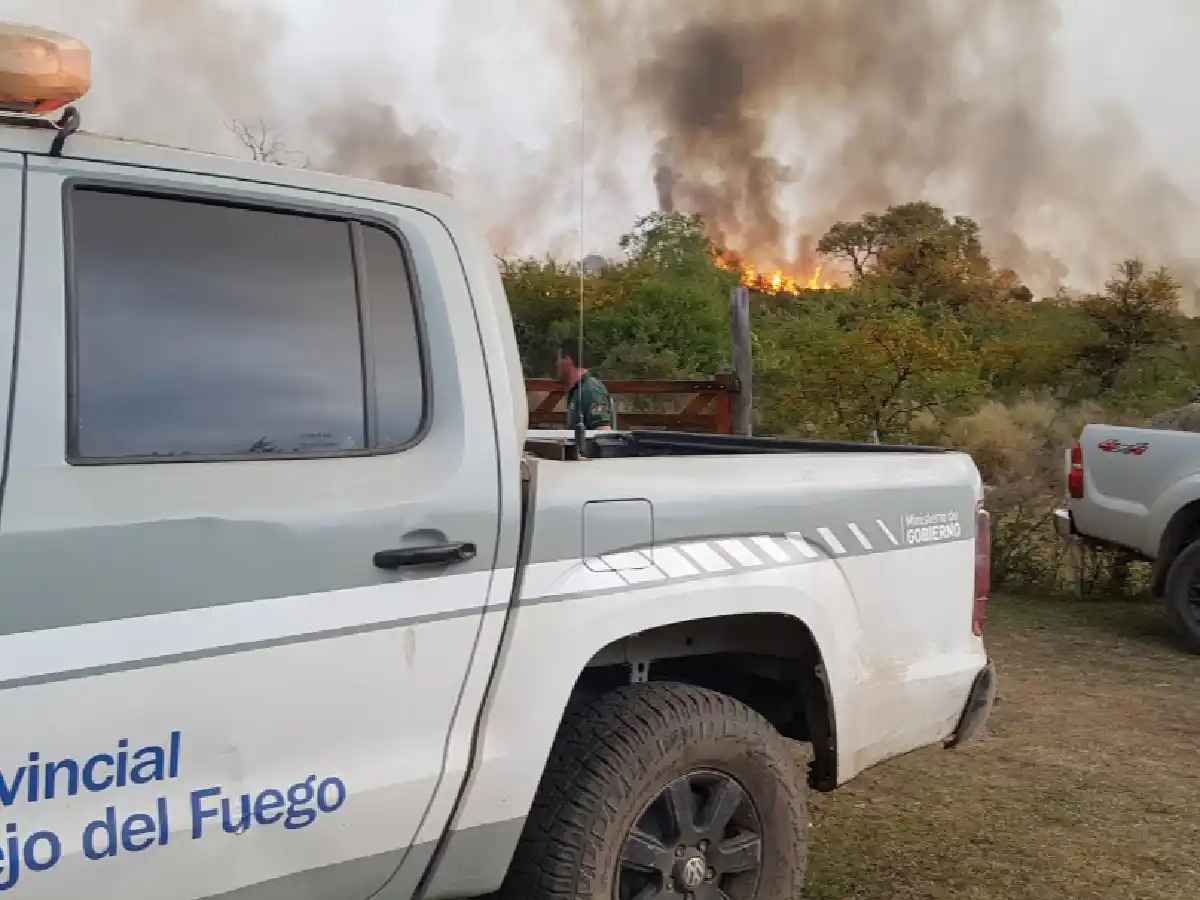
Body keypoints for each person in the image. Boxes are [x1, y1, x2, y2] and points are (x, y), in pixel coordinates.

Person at [556, 337, 616, 431]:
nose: (557, 363)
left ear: (568, 360)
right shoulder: (578, 390)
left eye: (559, 359)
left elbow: (603, 431)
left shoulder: (590, 390)